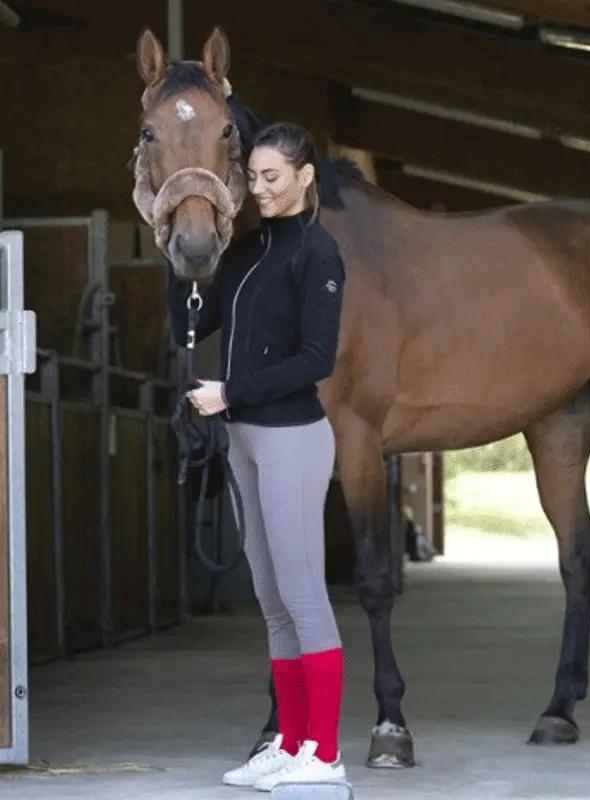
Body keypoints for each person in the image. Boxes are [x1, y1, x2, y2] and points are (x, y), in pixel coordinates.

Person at [166, 121, 347, 792]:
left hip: (293, 438)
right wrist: (175, 250)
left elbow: (316, 361)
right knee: (272, 600)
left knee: (303, 595)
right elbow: (189, 325)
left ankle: (323, 755)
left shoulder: (318, 255)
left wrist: (231, 391)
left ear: (304, 178)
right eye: (256, 178)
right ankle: (292, 740)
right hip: (244, 437)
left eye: (274, 178)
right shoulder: (246, 253)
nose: (262, 190)